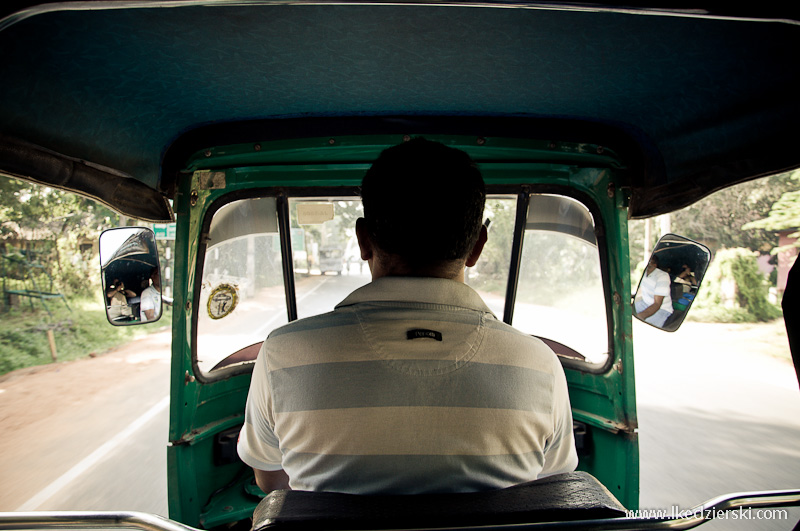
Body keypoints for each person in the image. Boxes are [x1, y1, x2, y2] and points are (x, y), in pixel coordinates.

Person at [237, 138, 578, 495]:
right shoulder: (539, 364)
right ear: (477, 246)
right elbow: (550, 488)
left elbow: (273, 484)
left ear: (363, 240)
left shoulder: (283, 354)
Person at [634, 255, 673, 327]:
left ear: (654, 264)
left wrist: (641, 316)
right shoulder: (644, 272)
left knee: (641, 326)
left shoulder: (662, 276)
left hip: (661, 309)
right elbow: (641, 290)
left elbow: (657, 304)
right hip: (645, 303)